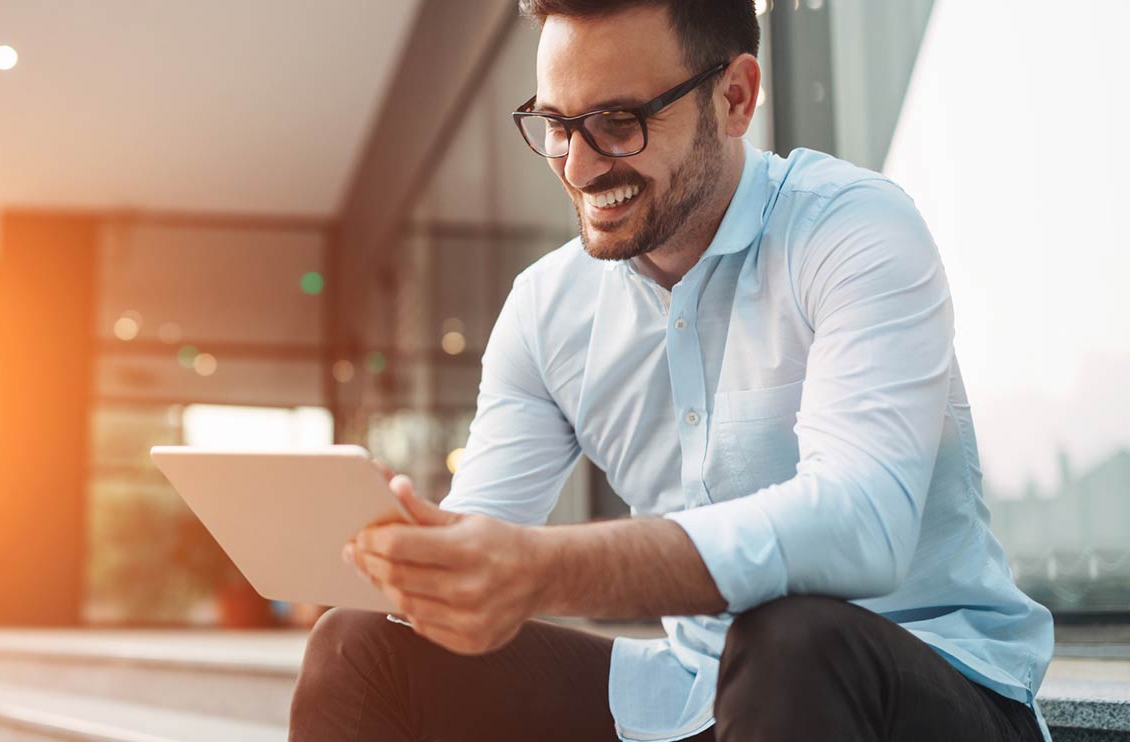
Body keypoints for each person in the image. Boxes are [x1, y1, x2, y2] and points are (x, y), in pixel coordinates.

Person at [287, 1, 1054, 740]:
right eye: (557, 127)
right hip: (698, 692)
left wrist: (546, 570)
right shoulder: (547, 310)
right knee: (358, 648)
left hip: (929, 686)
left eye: (619, 123)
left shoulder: (853, 230)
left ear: (735, 96)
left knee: (791, 638)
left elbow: (860, 527)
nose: (581, 167)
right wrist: (419, 563)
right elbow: (485, 539)